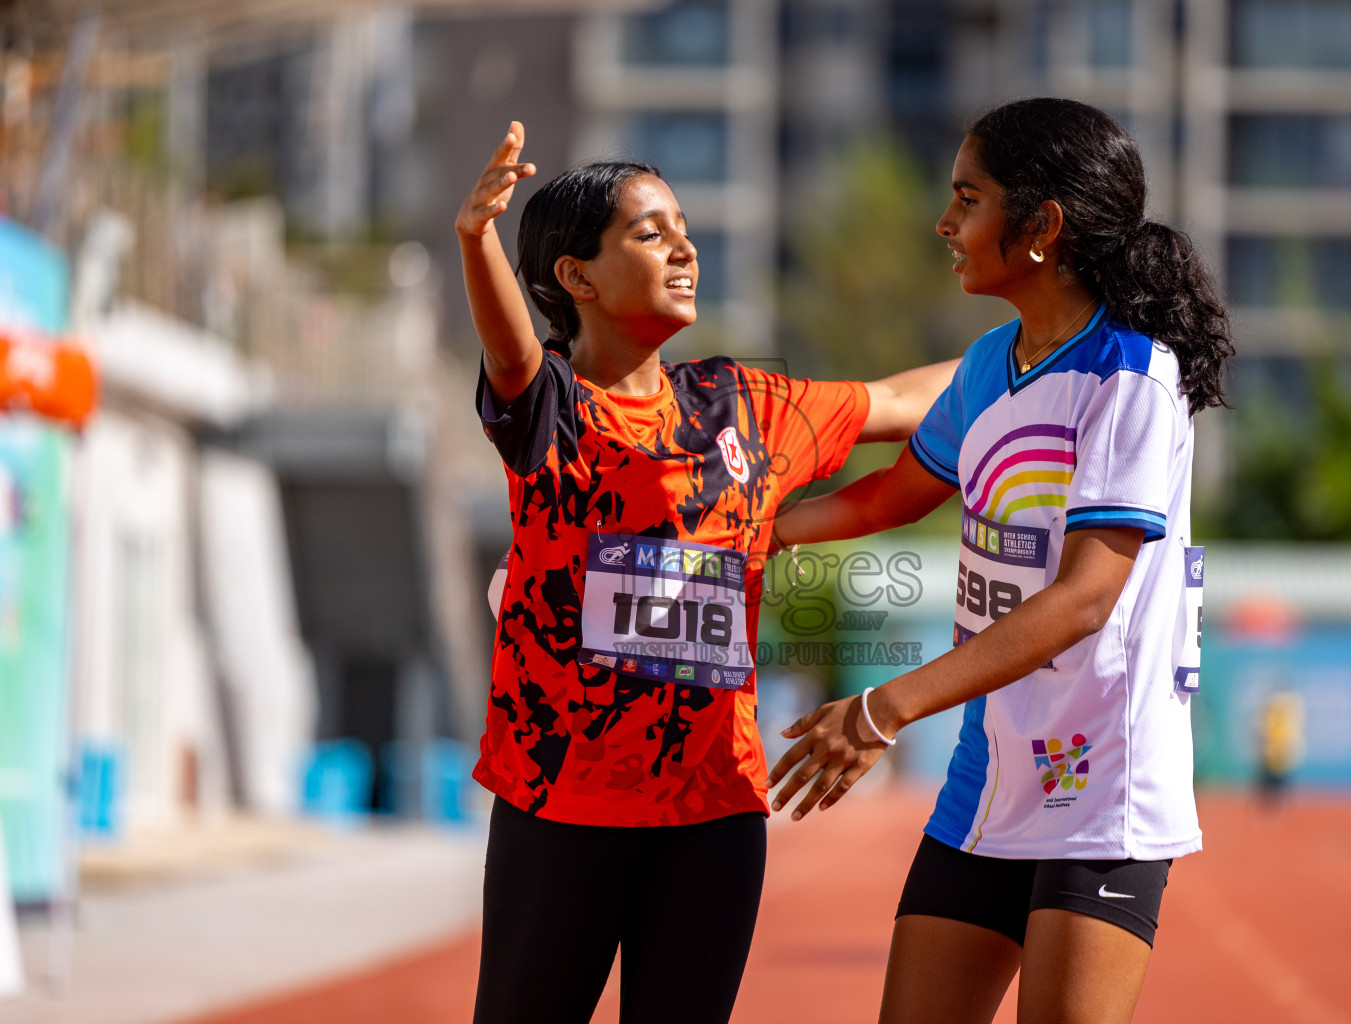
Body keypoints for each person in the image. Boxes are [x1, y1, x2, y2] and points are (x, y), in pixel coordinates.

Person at [455, 122, 956, 1024]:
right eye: (650, 233)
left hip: (713, 817)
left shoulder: (745, 407)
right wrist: (475, 237)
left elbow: (898, 401)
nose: (684, 246)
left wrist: (1049, 344)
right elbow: (509, 350)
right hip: (559, 806)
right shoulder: (553, 412)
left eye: (683, 226)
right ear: (577, 278)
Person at [766, 98, 1235, 1024]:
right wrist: (750, 527)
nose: (945, 223)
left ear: (1041, 228)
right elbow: (887, 496)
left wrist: (883, 707)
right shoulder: (989, 364)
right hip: (988, 773)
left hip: (1102, 786)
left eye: (967, 198)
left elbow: (1082, 601)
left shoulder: (1132, 377)